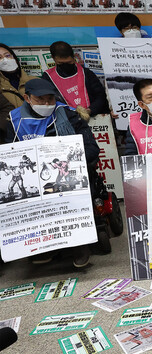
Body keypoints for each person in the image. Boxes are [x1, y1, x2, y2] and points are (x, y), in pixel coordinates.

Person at [7, 78, 100, 268]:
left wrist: (72, 158)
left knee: (68, 187)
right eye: (40, 100)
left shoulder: (68, 115)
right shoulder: (15, 120)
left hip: (66, 172)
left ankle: (79, 244)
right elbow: (8, 154)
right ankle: (43, 246)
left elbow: (92, 147)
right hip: (34, 174)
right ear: (27, 98)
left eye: (50, 99)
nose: (47, 104)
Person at [41, 41, 109, 121]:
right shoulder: (48, 77)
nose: (65, 66)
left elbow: (100, 96)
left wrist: (90, 110)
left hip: (93, 118)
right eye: (61, 63)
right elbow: (48, 101)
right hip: (65, 120)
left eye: (69, 62)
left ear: (73, 57)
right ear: (53, 58)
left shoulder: (86, 73)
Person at [0, 43, 35, 109]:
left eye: (7, 55)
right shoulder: (1, 87)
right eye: (0, 57)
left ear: (14, 57)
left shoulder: (35, 81)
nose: (5, 60)